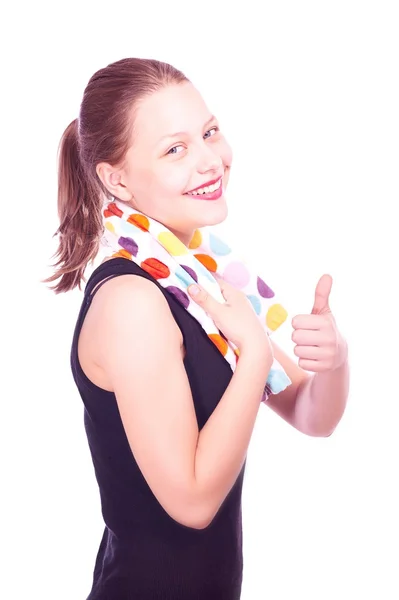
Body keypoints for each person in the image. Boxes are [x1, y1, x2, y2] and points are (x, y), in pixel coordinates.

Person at [45, 57, 350, 599]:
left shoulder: (195, 274)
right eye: (175, 149)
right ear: (116, 178)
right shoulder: (133, 300)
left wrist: (335, 360)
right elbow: (191, 503)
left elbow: (311, 415)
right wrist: (253, 355)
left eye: (209, 132)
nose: (210, 160)